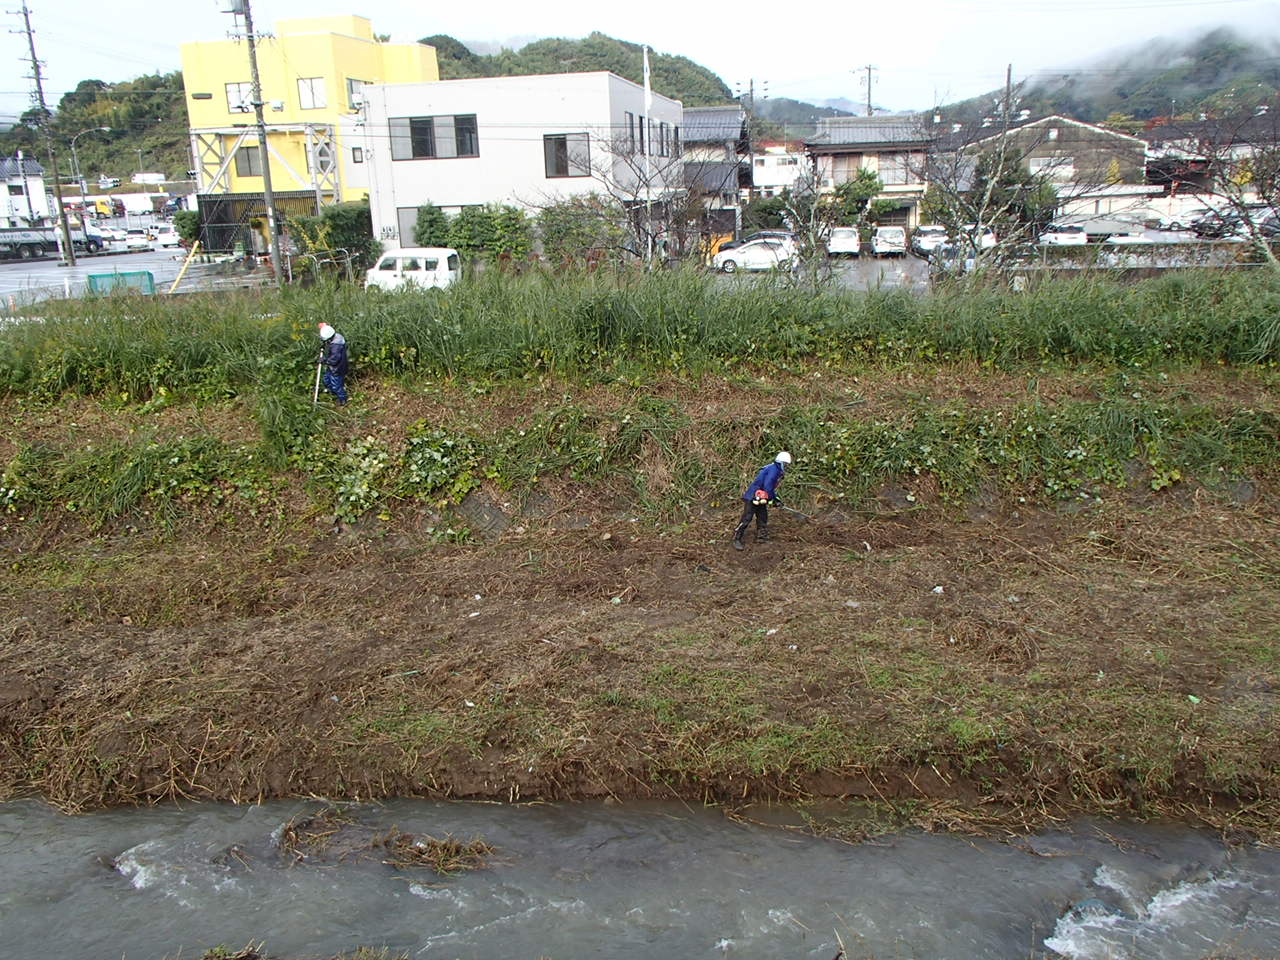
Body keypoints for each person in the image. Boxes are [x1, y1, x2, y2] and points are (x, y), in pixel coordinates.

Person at [733, 451, 791, 550]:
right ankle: (736, 538)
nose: (786, 467)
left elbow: (770, 489)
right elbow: (768, 487)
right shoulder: (774, 470)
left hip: (761, 497)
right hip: (753, 496)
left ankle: (761, 537)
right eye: (785, 464)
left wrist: (776, 498)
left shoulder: (774, 469)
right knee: (747, 518)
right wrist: (773, 499)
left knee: (762, 516)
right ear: (780, 463)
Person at [318, 322, 349, 406]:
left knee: (337, 386)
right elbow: (326, 329)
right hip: (332, 367)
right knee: (326, 380)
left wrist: (324, 360)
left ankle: (343, 399)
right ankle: (332, 392)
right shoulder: (336, 336)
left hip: (338, 368)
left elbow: (334, 360)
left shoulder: (336, 347)